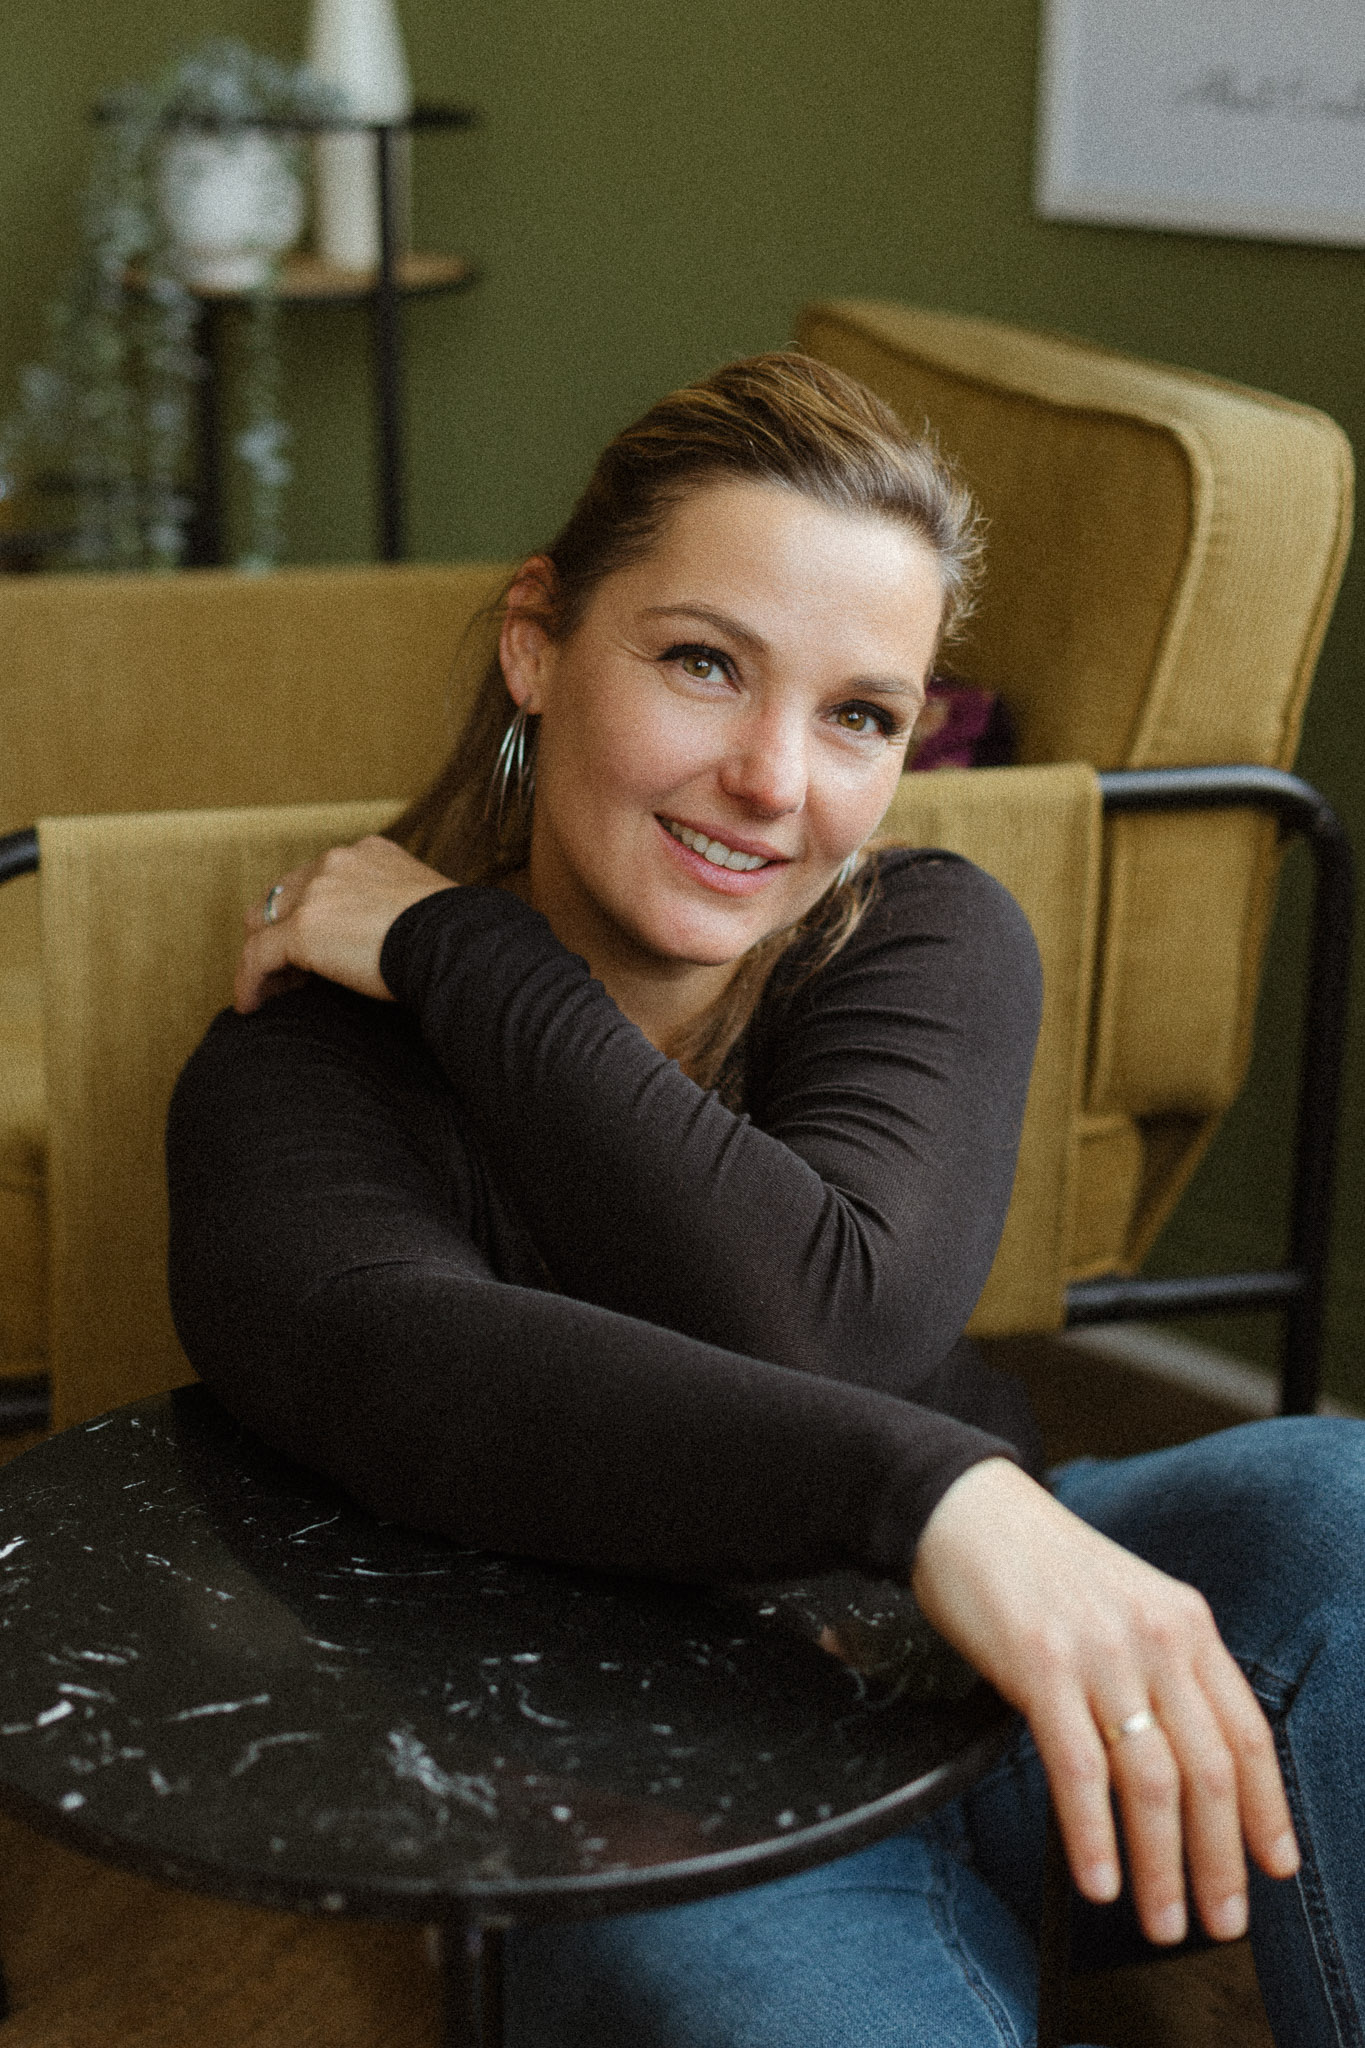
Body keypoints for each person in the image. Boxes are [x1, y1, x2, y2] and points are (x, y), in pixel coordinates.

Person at [166, 354, 1365, 2048]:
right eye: (704, 664)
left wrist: (456, 945)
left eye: (859, 715)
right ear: (537, 641)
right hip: (640, 1788)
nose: (774, 780)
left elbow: (834, 1316)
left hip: (1004, 1676)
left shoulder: (920, 931)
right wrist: (936, 1500)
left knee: (1342, 1510)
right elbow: (406, 1349)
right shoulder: (301, 1057)